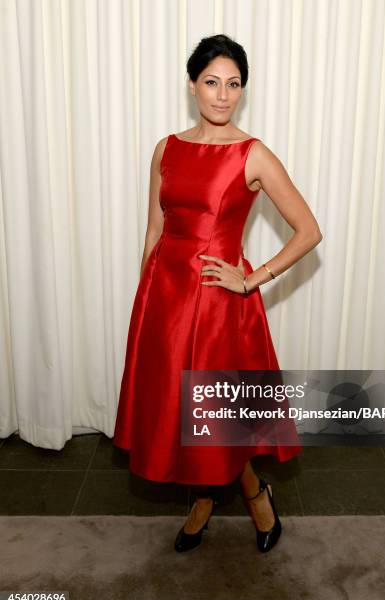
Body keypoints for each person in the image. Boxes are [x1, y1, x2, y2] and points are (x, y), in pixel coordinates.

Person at [113, 34, 322, 554]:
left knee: (213, 417)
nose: (222, 95)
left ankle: (248, 496)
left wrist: (252, 279)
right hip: (165, 298)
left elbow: (308, 231)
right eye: (212, 83)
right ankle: (206, 497)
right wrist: (146, 295)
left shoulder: (252, 155)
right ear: (192, 85)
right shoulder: (167, 147)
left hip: (215, 305)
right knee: (176, 412)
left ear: (242, 91)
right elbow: (155, 228)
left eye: (233, 85)